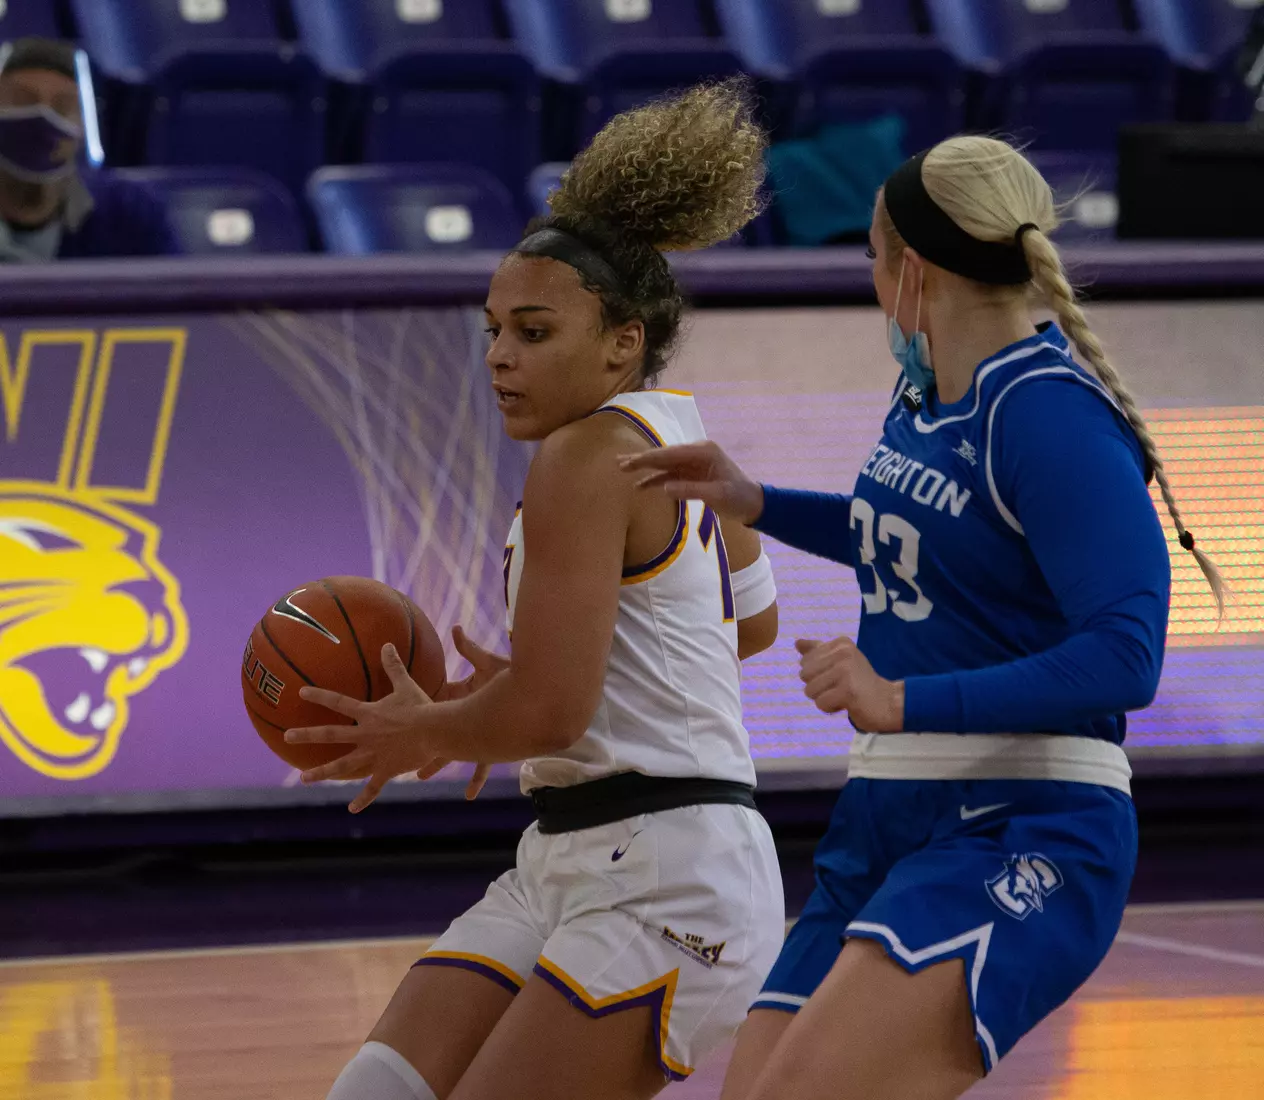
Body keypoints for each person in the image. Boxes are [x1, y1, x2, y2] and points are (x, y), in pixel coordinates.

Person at [624, 135, 1224, 1100]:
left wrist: (903, 696)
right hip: (888, 819)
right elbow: (923, 544)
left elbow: (1127, 655)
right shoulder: (926, 393)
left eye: (870, 254)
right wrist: (757, 500)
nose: (868, 279)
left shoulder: (1048, 417)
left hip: (1023, 822)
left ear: (917, 271)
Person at [285, 81, 786, 1100]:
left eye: (532, 331)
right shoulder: (688, 436)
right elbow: (751, 626)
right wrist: (571, 664)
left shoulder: (583, 457)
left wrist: (434, 729)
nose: (501, 356)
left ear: (621, 343)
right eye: (493, 330)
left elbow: (551, 709)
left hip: (667, 872)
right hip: (575, 851)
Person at [0, 37, 176, 261]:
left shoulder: (131, 214)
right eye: (23, 101)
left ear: (84, 125)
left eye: (62, 106)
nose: (43, 117)